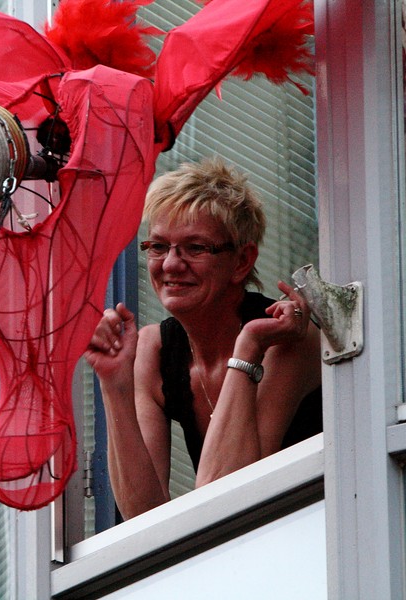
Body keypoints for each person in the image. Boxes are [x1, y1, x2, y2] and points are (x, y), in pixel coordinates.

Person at [85, 158, 322, 520]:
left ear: (242, 262)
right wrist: (113, 383)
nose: (170, 265)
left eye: (195, 248)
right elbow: (142, 515)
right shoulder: (152, 349)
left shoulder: (284, 337)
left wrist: (250, 344)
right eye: (159, 246)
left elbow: (223, 497)